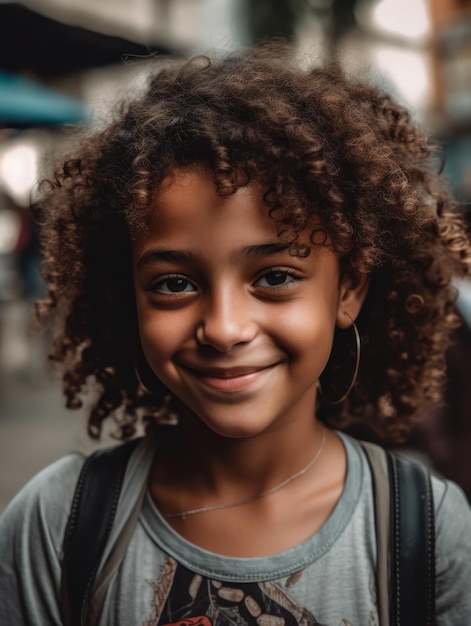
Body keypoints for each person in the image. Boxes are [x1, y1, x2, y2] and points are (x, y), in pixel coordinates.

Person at [1, 43, 470, 625]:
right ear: (129, 296)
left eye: (274, 277)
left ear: (348, 290)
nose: (223, 328)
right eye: (173, 284)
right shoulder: (59, 524)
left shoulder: (424, 529)